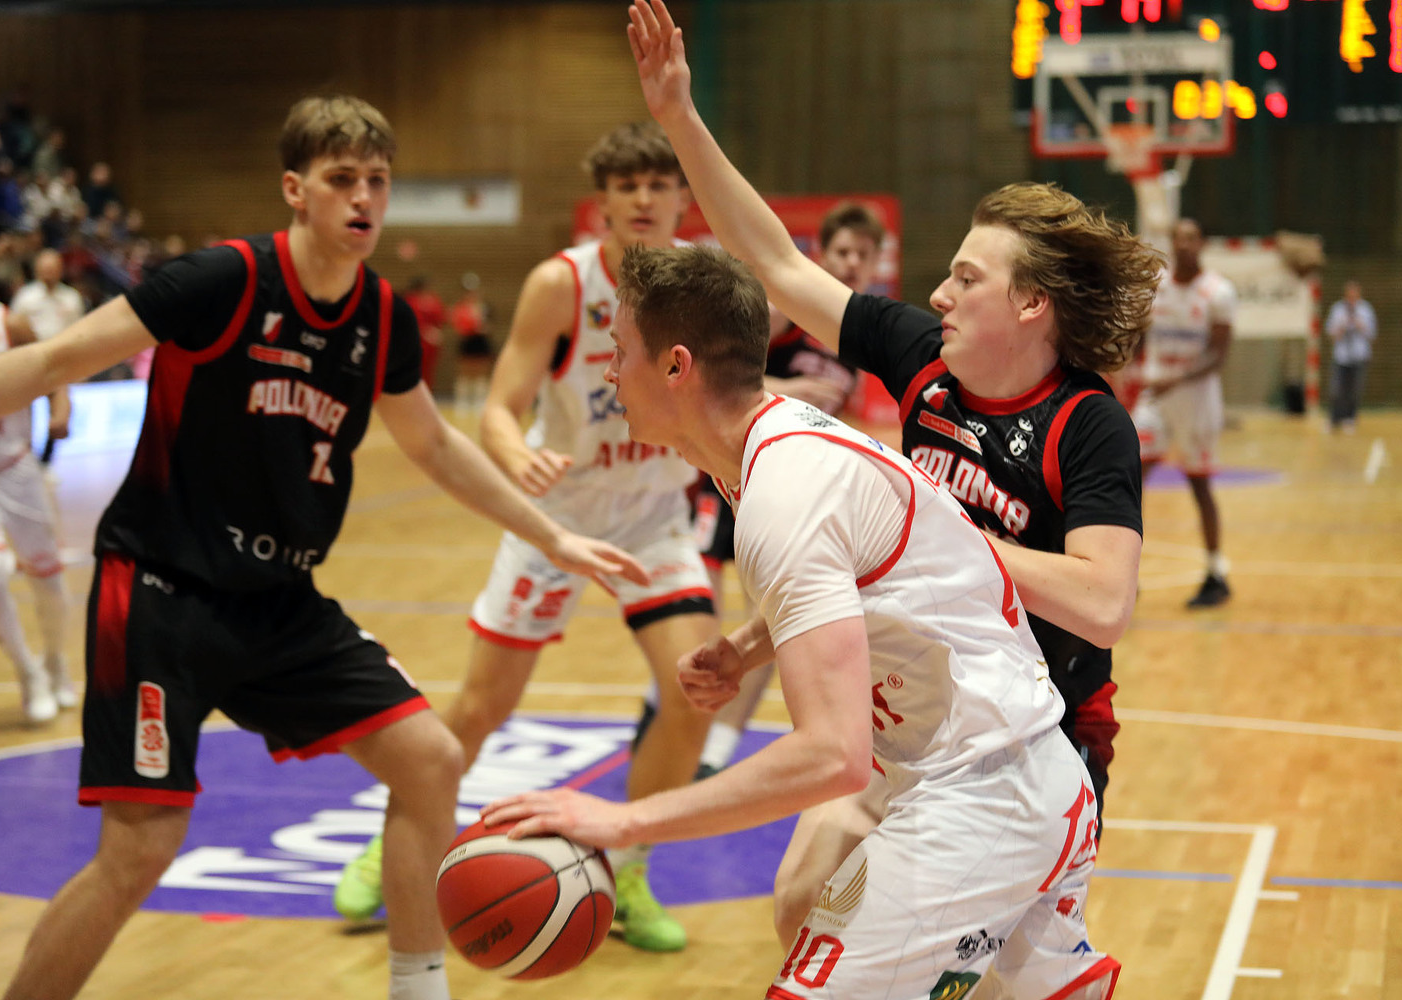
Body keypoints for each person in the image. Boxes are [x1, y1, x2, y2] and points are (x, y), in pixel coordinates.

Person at [0, 94, 646, 1000]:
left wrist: (553, 534)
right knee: (140, 848)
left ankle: (417, 991)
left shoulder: (382, 317)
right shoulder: (223, 281)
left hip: (279, 602)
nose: (364, 197)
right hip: (160, 592)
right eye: (343, 179)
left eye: (378, 180)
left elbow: (435, 446)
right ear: (296, 190)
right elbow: (54, 360)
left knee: (430, 761)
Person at [625, 0, 1152, 964]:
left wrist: (942, 537)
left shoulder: (1087, 424)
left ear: (1031, 304)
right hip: (911, 710)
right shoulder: (923, 361)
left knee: (980, 964)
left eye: (967, 279)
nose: (939, 294)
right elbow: (775, 262)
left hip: (1032, 734)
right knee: (804, 902)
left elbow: (1104, 602)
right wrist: (680, 119)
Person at [483, 239, 1121, 1000]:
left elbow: (831, 757)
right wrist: (746, 646)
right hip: (994, 768)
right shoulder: (764, 447)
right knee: (812, 904)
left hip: (984, 792)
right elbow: (866, 567)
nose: (609, 373)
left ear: (677, 366)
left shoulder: (784, 491)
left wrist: (624, 823)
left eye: (619, 352)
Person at [334, 121, 717, 954]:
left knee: (695, 692)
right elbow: (502, 408)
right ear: (603, 202)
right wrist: (515, 456)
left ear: (683, 198)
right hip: (557, 518)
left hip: (653, 518)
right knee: (481, 708)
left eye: (659, 184)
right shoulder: (561, 284)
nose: (644, 198)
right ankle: (385, 843)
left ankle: (630, 869)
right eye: (627, 186)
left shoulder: (704, 281)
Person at [633, 199, 880, 778]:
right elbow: (719, 375)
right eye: (842, 251)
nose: (851, 263)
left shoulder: (855, 335)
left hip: (785, 492)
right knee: (699, 616)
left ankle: (713, 757)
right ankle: (659, 709)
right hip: (725, 480)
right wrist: (787, 389)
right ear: (822, 255)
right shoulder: (788, 312)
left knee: (769, 623)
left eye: (862, 255)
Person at [1132, 218, 1235, 608]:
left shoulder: (1218, 292)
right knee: (1130, 478)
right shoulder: (1156, 286)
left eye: (1191, 238)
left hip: (1196, 400)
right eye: (1178, 238)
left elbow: (1218, 355)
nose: (1184, 244)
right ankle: (1125, 572)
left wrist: (1176, 378)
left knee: (1199, 485)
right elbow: (1140, 335)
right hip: (1155, 398)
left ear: (1202, 243)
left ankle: (1215, 572)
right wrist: (1126, 367)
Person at [0, 301, 69, 725]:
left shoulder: (10, 323)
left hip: (15, 467)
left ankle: (56, 660)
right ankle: (29, 673)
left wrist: (61, 411)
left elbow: (52, 369)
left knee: (50, 582)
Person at [10, 247, 86, 472]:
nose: (48, 272)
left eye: (53, 268)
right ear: (37, 270)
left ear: (60, 270)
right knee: (26, 410)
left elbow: (80, 331)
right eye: (45, 268)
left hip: (60, 363)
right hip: (29, 362)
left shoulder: (71, 298)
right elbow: (13, 328)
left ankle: (46, 461)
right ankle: (28, 457)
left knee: (59, 411)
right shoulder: (25, 297)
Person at [1326, 279, 1376, 432]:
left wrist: (1360, 324)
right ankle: (1334, 419)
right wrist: (1341, 327)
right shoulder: (1338, 309)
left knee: (1355, 389)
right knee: (1337, 389)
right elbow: (1330, 332)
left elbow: (1372, 333)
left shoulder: (1366, 310)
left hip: (1359, 356)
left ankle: (1350, 418)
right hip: (1341, 356)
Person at [448, 271, 492, 413]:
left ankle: (480, 401)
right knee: (464, 372)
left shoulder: (484, 307)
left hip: (480, 341)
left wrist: (483, 325)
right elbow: (457, 326)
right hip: (467, 341)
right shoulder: (459, 308)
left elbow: (489, 325)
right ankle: (463, 401)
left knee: (481, 373)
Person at [400, 275, 446, 391]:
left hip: (430, 345)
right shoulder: (410, 300)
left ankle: (427, 392)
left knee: (428, 371)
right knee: (413, 370)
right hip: (414, 342)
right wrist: (425, 332)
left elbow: (441, 318)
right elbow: (410, 321)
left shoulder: (433, 300)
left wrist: (436, 332)